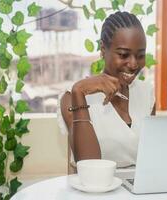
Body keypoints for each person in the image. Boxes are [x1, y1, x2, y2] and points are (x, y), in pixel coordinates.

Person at [58, 11, 155, 168]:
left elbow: (151, 157)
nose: (133, 64)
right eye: (124, 55)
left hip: (139, 189)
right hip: (96, 190)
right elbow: (89, 167)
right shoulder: (72, 97)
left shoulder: (146, 94)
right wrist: (79, 91)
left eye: (140, 55)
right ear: (103, 49)